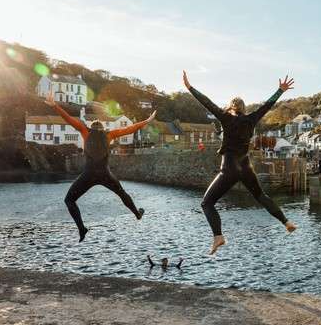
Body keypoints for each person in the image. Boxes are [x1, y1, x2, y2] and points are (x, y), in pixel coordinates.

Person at [182, 70, 297, 255]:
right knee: (261, 196)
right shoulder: (251, 119)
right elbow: (267, 106)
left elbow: (207, 103)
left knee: (207, 203)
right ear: (243, 108)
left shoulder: (226, 118)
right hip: (246, 167)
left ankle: (218, 236)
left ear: (231, 107)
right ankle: (287, 222)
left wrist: (190, 87)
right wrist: (280, 91)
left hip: (229, 169)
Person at [44, 93, 156, 242]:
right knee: (122, 193)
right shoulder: (109, 135)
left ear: (91, 127)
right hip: (105, 175)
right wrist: (147, 120)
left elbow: (69, 119)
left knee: (69, 200)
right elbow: (131, 129)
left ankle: (81, 228)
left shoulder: (85, 131)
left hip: (88, 175)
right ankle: (137, 214)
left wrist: (54, 105)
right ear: (103, 128)